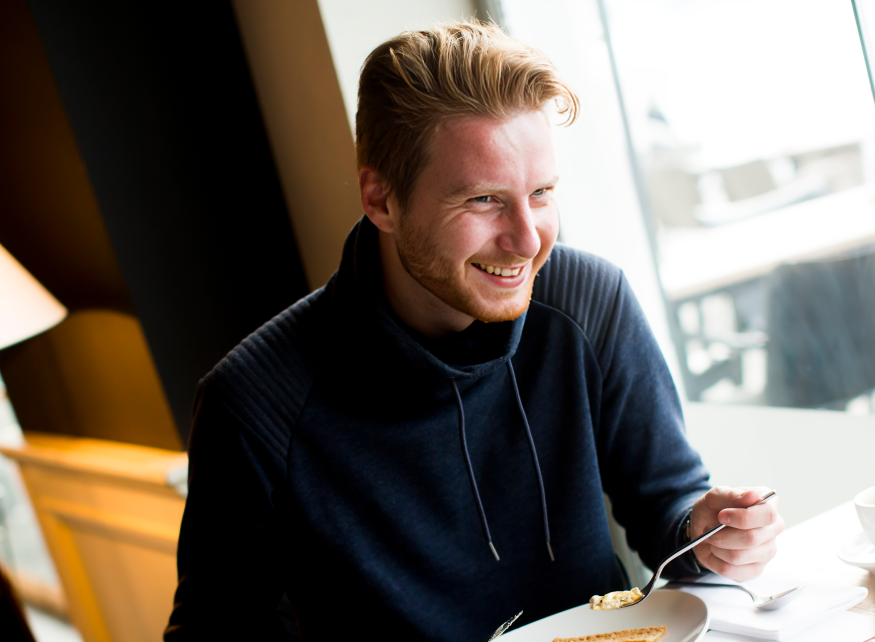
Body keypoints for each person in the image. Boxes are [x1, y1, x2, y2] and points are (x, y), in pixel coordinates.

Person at [164, 21, 784, 641]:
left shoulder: (591, 300)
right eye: (484, 200)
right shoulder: (252, 404)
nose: (528, 239)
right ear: (380, 199)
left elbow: (667, 504)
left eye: (541, 193)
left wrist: (706, 533)